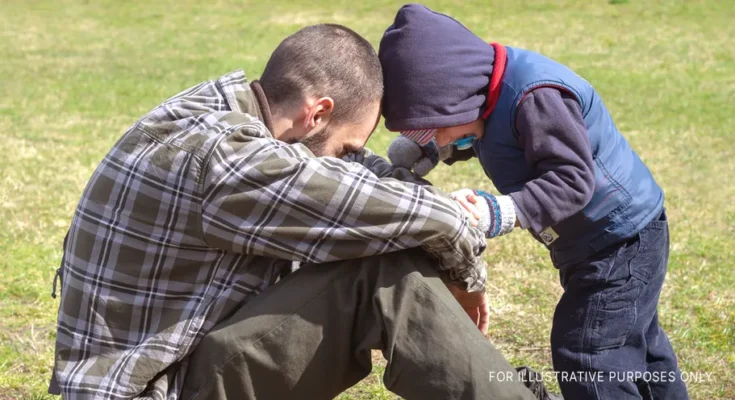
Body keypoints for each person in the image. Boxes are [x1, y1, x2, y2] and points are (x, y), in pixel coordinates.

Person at [48, 23, 549, 399]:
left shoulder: (218, 111)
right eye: (350, 146)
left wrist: (381, 173)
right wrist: (467, 278)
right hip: (156, 389)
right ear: (318, 112)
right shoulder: (232, 163)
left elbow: (366, 180)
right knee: (382, 271)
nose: (354, 158)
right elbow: (435, 220)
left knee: (379, 245)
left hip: (164, 371)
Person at [378, 4, 688, 399]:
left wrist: (503, 211)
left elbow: (574, 179)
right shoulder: (485, 94)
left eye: (434, 129)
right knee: (639, 345)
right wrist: (436, 151)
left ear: (458, 97)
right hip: (603, 240)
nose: (435, 139)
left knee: (588, 353)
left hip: (619, 240)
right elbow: (491, 136)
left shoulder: (536, 98)